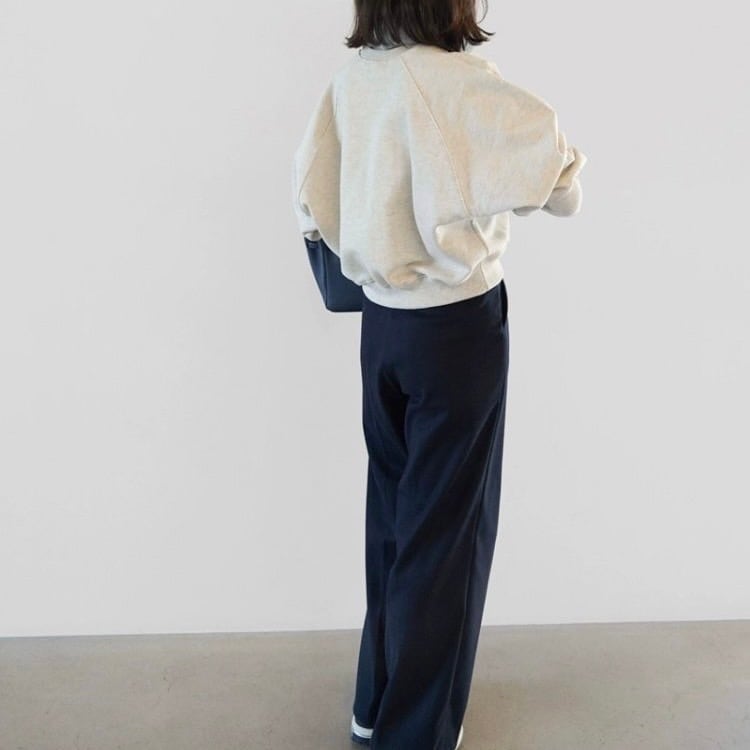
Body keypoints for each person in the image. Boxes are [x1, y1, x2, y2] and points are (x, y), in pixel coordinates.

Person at [291, 2, 587, 748]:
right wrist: (558, 187)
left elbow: (310, 189)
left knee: (394, 518)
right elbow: (555, 166)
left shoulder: (353, 81)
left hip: (382, 328)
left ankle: (375, 704)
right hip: (456, 330)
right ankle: (414, 733)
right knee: (448, 536)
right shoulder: (459, 82)